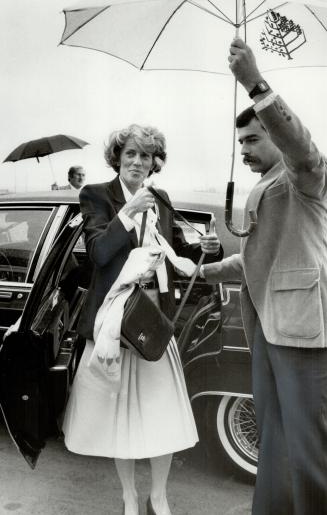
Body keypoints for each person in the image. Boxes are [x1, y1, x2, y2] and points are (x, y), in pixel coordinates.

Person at [62, 124, 223, 515]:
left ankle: (159, 495)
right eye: (130, 153)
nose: (137, 161)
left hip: (153, 322)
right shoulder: (96, 195)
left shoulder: (160, 197)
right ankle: (129, 496)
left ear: (155, 162)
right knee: (122, 419)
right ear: (117, 157)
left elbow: (178, 250)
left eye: (146, 155)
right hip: (117, 323)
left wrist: (208, 249)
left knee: (161, 415)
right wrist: (128, 214)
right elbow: (99, 253)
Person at [198, 37, 327, 515]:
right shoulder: (263, 189)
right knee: (274, 438)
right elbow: (255, 261)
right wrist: (204, 267)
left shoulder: (305, 176)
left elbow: (302, 145)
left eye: (253, 139)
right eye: (241, 143)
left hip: (302, 333)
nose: (245, 150)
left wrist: (254, 83)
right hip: (268, 332)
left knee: (308, 449)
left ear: (274, 134)